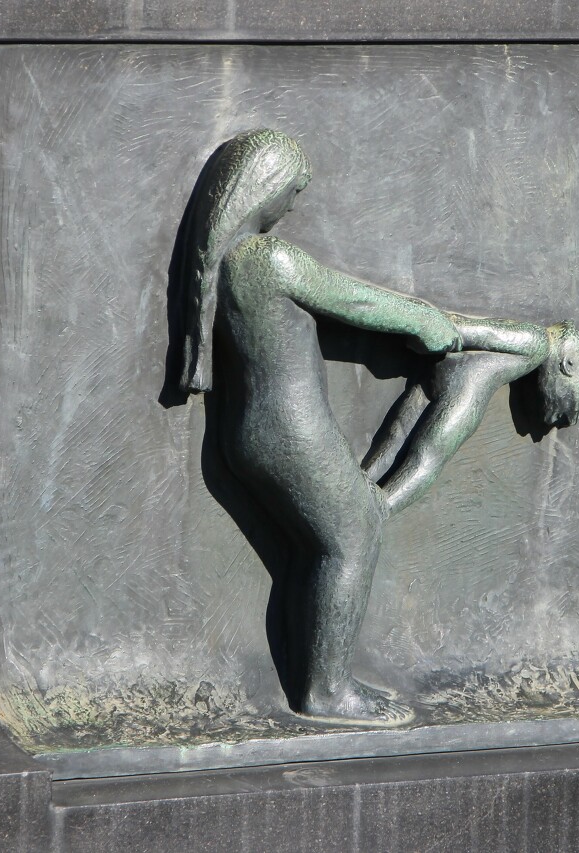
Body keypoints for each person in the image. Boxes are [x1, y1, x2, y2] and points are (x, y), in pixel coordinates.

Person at [179, 128, 460, 726]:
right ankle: (325, 691)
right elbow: (356, 302)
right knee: (352, 538)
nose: (293, 207)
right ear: (268, 186)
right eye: (293, 192)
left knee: (322, 546)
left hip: (251, 433)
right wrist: (425, 321)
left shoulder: (225, 262)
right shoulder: (264, 258)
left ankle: (319, 678)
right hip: (290, 431)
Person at [363, 317, 579, 517]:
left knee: (401, 441)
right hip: (462, 393)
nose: (560, 420)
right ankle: (377, 507)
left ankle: (372, 503)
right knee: (423, 455)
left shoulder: (536, 345)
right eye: (574, 405)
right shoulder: (537, 341)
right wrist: (447, 332)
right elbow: (485, 333)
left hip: (440, 379)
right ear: (568, 365)